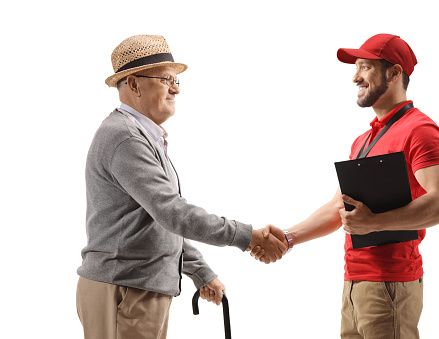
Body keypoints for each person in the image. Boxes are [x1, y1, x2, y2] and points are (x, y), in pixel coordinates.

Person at [76, 35, 287, 339]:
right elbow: (174, 213)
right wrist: (247, 236)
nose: (176, 88)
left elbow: (156, 221)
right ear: (134, 84)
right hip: (126, 289)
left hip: (136, 287)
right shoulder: (127, 138)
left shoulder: (140, 135)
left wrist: (200, 272)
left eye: (176, 80)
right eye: (166, 79)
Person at [251, 34, 439, 338]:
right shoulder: (364, 141)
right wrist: (289, 237)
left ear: (395, 73)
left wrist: (375, 223)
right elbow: (339, 209)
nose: (355, 77)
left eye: (365, 67)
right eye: (356, 67)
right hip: (355, 284)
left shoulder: (420, 130)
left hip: (390, 284)